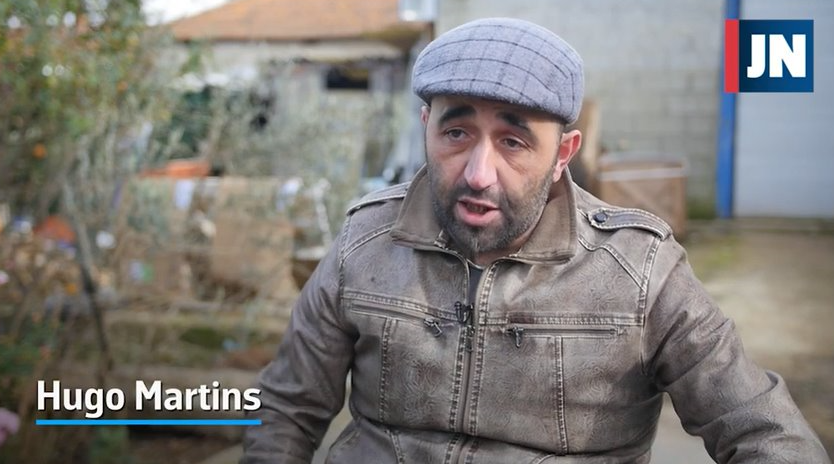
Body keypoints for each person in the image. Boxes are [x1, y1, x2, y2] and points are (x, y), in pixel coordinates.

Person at [242, 17, 829, 463]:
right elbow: (286, 408)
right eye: (456, 132)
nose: (478, 173)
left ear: (563, 154)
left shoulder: (640, 270)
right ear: (426, 128)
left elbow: (763, 430)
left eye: (514, 142)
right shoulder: (364, 241)